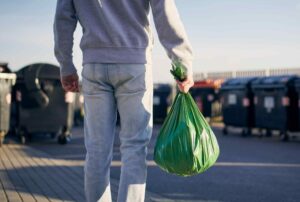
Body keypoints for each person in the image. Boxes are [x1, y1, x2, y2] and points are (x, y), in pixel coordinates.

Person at [54, 0, 194, 201]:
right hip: (134, 64)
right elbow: (164, 12)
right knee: (134, 149)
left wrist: (66, 64)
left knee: (96, 151)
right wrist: (182, 61)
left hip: (94, 65)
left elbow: (63, 17)